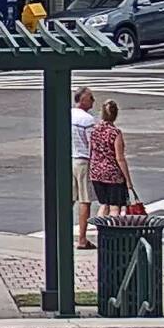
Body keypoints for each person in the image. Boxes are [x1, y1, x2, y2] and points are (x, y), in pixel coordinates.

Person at [88, 99, 136, 217]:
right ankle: (112, 228)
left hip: (96, 172)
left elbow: (91, 151)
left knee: (104, 204)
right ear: (115, 114)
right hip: (112, 174)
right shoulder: (115, 133)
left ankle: (100, 227)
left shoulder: (94, 130)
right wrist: (128, 180)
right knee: (115, 207)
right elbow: (120, 158)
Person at [70, 86, 97, 249]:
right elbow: (92, 144)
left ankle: (64, 233)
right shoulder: (87, 120)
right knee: (85, 200)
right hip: (83, 161)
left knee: (69, 199)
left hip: (70, 158)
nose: (93, 100)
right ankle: (82, 238)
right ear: (82, 100)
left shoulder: (68, 115)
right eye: (90, 98)